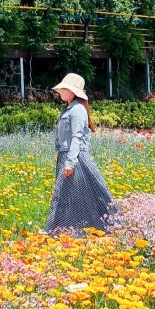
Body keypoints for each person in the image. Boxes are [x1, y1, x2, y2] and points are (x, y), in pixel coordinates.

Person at [45, 73, 115, 235]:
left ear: (71, 91)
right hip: (67, 157)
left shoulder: (77, 109)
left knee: (80, 196)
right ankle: (67, 231)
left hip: (76, 159)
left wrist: (70, 163)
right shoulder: (70, 108)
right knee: (68, 196)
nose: (60, 91)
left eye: (63, 88)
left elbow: (76, 137)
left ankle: (84, 231)